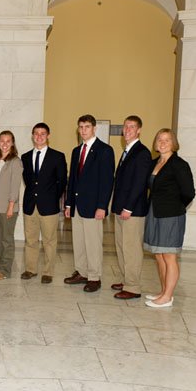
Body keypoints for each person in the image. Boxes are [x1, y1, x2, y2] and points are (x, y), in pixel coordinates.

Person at [144, 128, 195, 308]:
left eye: (167, 139)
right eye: (159, 139)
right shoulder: (154, 163)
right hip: (155, 213)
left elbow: (189, 192)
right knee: (158, 254)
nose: (163, 142)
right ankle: (164, 291)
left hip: (171, 215)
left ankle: (168, 296)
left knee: (169, 256)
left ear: (173, 143)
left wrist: (175, 207)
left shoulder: (179, 164)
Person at [64, 114, 115, 292]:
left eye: (86, 127)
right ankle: (82, 271)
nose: (83, 130)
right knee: (78, 241)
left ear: (94, 128)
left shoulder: (105, 150)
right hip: (77, 205)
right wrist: (69, 204)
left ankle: (94, 276)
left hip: (94, 206)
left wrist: (102, 206)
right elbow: (73, 181)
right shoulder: (76, 151)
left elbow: (107, 181)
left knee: (93, 242)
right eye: (81, 127)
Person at [110, 116, 152, 300]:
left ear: (139, 130)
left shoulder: (142, 152)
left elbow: (139, 184)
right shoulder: (127, 150)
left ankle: (133, 287)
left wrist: (128, 207)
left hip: (132, 211)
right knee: (121, 246)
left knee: (131, 248)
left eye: (132, 127)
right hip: (121, 208)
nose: (127, 129)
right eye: (126, 126)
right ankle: (125, 279)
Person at [20, 122, 67, 284]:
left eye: (42, 133)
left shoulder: (57, 156)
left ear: (48, 136)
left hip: (49, 206)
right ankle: (30, 269)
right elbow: (28, 180)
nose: (39, 136)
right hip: (30, 205)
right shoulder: (25, 157)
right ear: (32, 136)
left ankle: (48, 271)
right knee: (31, 240)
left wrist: (53, 198)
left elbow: (62, 181)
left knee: (49, 240)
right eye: (36, 133)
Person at [0, 131, 23, 281]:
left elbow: (15, 187)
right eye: (2, 141)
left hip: (7, 206)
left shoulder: (15, 161)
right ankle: (0, 266)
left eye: (8, 141)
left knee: (6, 239)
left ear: (12, 143)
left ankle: (5, 270)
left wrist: (11, 206)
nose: (5, 144)